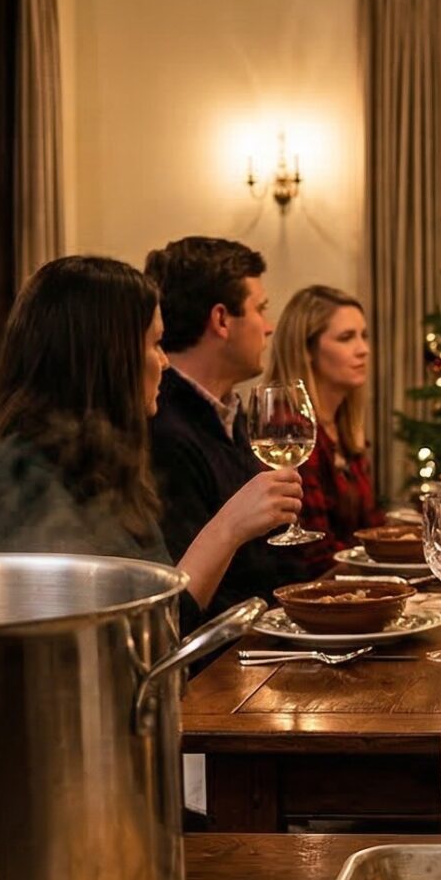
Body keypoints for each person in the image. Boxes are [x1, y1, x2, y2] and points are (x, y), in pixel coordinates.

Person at [0, 255, 301, 613]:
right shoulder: (25, 476)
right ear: (109, 357)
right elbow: (154, 632)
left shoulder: (101, 458)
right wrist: (229, 526)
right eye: (155, 344)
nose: (164, 362)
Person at [143, 236, 308, 612]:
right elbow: (191, 601)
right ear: (221, 319)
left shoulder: (234, 417)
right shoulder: (164, 430)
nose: (268, 327)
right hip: (227, 659)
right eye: (260, 309)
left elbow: (278, 551)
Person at [264, 284, 379, 578]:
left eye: (363, 336)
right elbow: (315, 554)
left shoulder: (342, 426)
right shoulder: (289, 430)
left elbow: (371, 528)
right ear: (307, 350)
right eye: (346, 338)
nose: (363, 349)